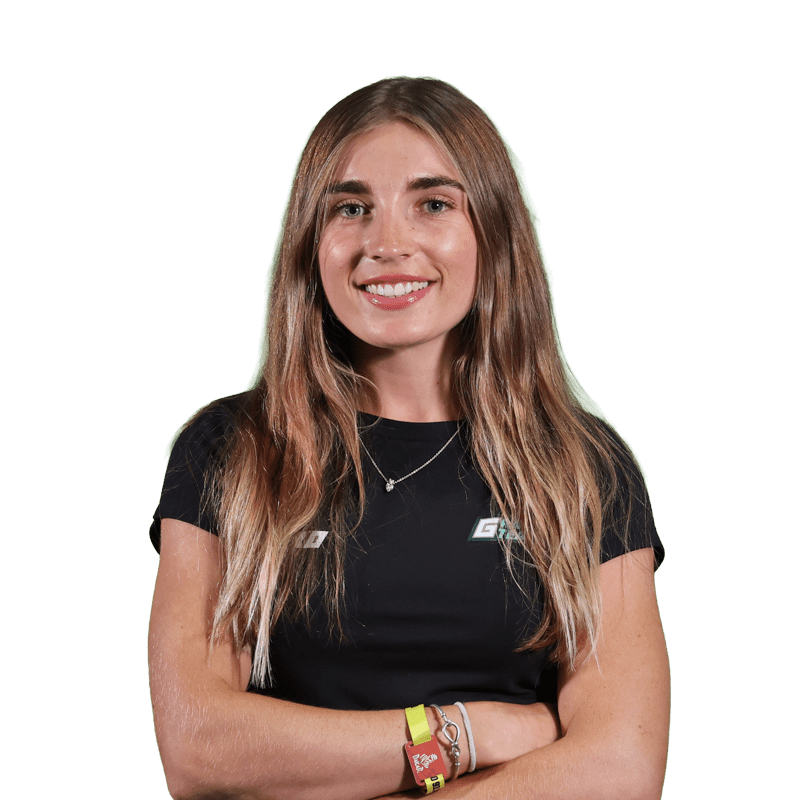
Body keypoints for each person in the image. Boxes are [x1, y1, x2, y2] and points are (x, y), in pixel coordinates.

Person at [148, 77, 669, 800]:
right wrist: (466, 731)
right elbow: (200, 750)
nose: (387, 244)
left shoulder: (582, 467)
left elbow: (618, 769)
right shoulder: (230, 451)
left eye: (433, 204)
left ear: (493, 233)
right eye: (351, 208)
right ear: (310, 243)